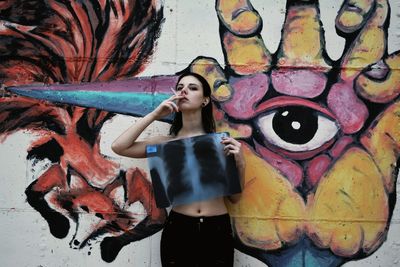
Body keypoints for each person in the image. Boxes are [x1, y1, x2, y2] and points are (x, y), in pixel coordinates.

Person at [111, 72, 245, 266]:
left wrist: (240, 163)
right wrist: (155, 114)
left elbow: (235, 198)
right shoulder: (164, 144)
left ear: (205, 100)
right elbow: (119, 146)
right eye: (181, 87)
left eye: (193, 88)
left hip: (217, 229)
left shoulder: (222, 143)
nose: (184, 91)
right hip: (180, 227)